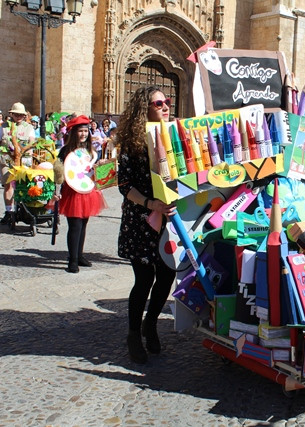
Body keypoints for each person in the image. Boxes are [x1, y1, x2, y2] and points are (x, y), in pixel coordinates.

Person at [115, 86, 176, 364]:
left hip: (168, 219)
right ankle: (132, 334)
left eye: (167, 102)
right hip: (140, 219)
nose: (165, 106)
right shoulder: (132, 142)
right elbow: (125, 185)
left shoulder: (175, 136)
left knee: (166, 275)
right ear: (145, 109)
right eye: (159, 103)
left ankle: (150, 323)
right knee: (144, 279)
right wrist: (152, 205)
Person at [55, 115, 106, 273]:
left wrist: (100, 166)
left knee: (83, 224)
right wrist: (56, 191)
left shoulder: (90, 150)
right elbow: (59, 174)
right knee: (75, 226)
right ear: (73, 133)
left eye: (86, 131)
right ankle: (73, 260)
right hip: (72, 193)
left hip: (87, 191)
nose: (84, 134)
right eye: (80, 131)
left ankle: (79, 254)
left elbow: (90, 169)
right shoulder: (66, 151)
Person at [0, 102, 35, 224]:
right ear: (11, 114)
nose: (18, 117)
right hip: (6, 160)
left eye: (21, 115)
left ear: (24, 116)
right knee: (8, 185)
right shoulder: (3, 127)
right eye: (16, 114)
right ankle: (9, 211)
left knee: (22, 185)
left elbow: (32, 144)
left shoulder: (29, 128)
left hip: (23, 161)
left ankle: (24, 209)